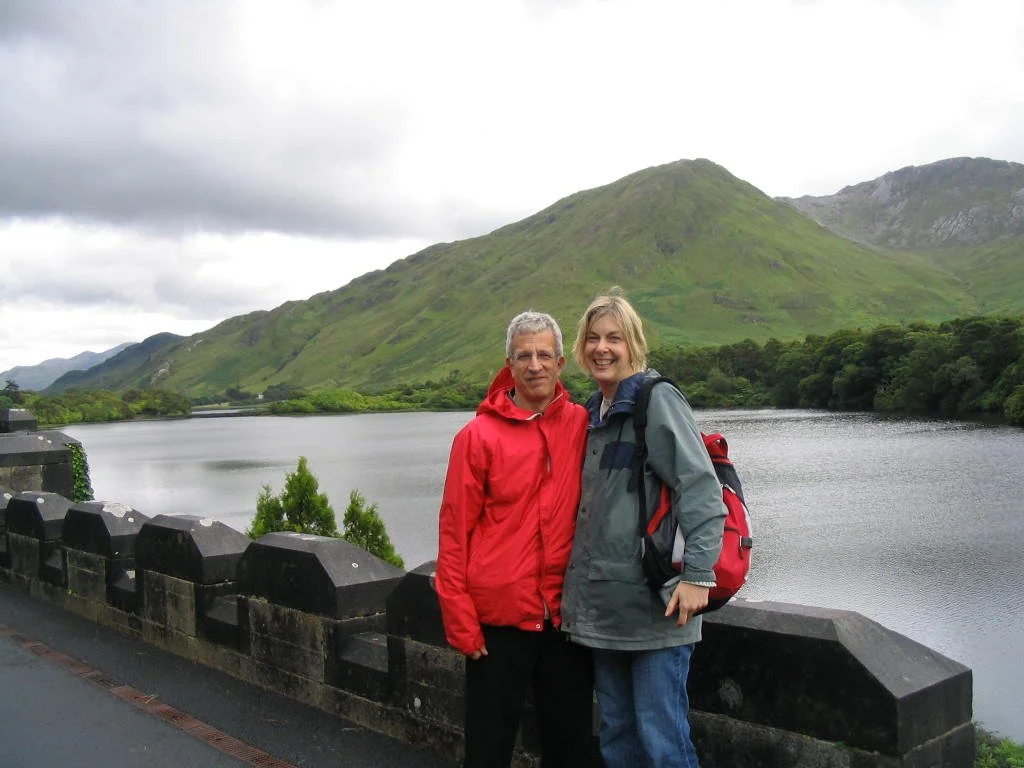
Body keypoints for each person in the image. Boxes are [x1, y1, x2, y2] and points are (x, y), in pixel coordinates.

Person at [561, 292, 726, 768]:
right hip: (606, 616)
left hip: (657, 610)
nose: (602, 348)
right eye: (593, 338)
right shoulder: (594, 412)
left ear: (633, 343)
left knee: (663, 742)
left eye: (614, 337)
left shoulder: (657, 400)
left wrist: (698, 575)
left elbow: (700, 489)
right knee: (618, 737)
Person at [435, 310, 594, 768]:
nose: (535, 364)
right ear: (509, 363)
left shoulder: (581, 424)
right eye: (524, 355)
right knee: (488, 747)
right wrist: (460, 620)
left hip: (564, 619)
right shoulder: (476, 436)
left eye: (545, 354)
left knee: (571, 747)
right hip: (497, 623)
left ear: (562, 362)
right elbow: (454, 531)